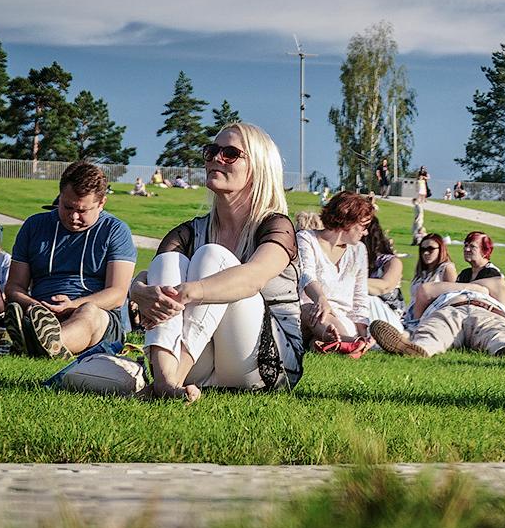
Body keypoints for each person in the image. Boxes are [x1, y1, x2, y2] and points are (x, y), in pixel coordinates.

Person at [131, 124, 303, 400]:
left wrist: (189, 291)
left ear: (258, 167)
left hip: (263, 360)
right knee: (169, 261)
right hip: (203, 358)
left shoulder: (276, 226)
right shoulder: (189, 231)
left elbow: (253, 277)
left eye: (231, 153)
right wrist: (138, 291)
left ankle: (169, 379)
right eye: (210, 151)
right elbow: (155, 273)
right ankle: (165, 381)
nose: (215, 159)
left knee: (213, 256)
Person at [4, 161, 137, 359]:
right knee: (19, 309)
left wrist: (72, 305)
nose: (73, 216)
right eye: (66, 207)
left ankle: (41, 342)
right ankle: (39, 335)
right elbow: (14, 287)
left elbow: (117, 294)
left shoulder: (115, 231)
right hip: (41, 311)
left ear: (101, 203)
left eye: (83, 211)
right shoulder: (34, 226)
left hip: (99, 316)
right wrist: (34, 306)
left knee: (89, 313)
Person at [369, 271, 505, 359]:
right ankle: (415, 349)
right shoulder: (454, 293)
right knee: (435, 331)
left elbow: (499, 284)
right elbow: (425, 290)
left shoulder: (489, 287)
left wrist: (476, 289)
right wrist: (477, 288)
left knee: (497, 333)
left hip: (487, 312)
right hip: (450, 309)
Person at [297, 191, 378, 351]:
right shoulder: (306, 239)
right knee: (315, 311)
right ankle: (348, 343)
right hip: (311, 309)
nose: (366, 232)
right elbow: (307, 275)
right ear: (347, 222)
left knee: (322, 333)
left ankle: (331, 343)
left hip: (343, 319)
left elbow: (359, 295)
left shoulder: (359, 250)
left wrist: (363, 331)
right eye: (363, 226)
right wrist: (321, 299)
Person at [364, 217, 405, 326]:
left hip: (387, 318)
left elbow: (385, 286)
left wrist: (347, 281)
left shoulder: (390, 262)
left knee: (367, 298)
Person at [408, 233, 457, 315]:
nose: (426, 253)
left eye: (431, 249)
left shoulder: (446, 268)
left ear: (441, 249)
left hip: (433, 317)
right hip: (411, 316)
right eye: (423, 249)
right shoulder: (422, 272)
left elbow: (453, 296)